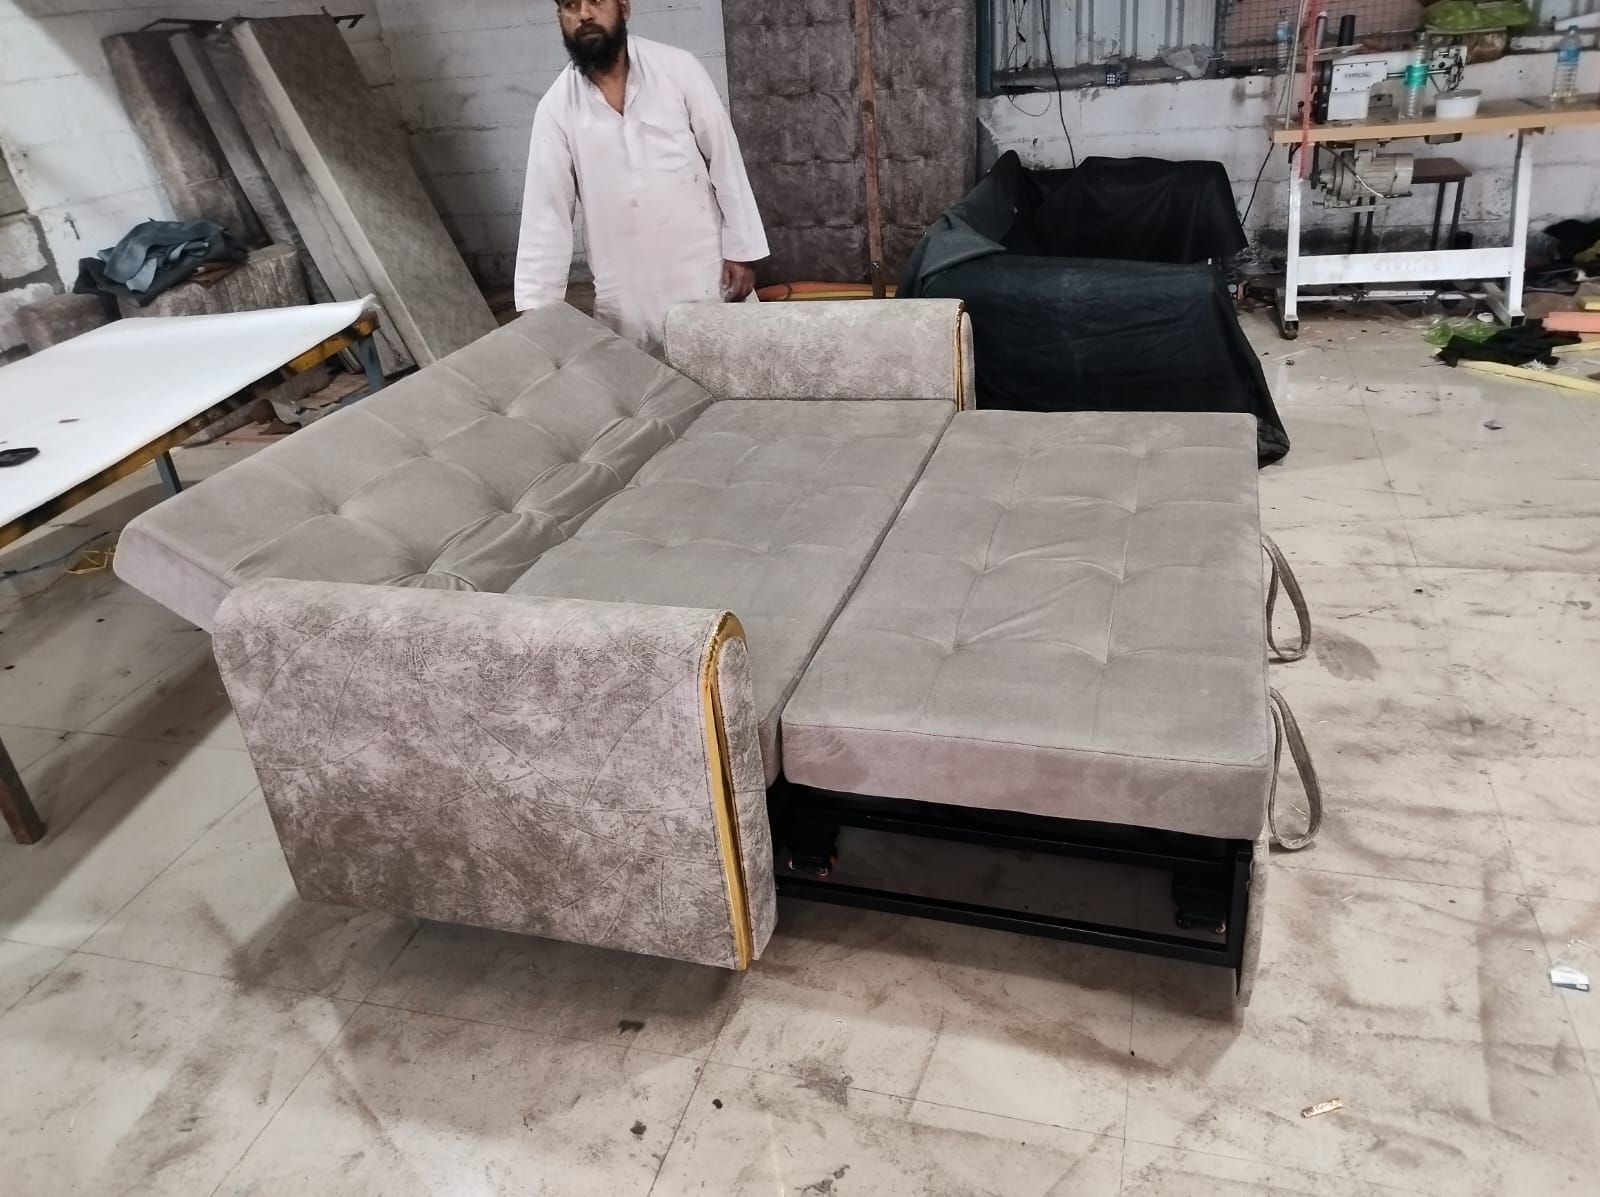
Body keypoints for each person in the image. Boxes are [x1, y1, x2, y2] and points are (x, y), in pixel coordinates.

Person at [515, 0, 769, 354]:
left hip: (704, 272)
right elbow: (546, 215)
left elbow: (725, 161)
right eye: (571, 5)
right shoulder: (556, 108)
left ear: (624, 7)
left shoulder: (678, 69)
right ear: (560, 18)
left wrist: (742, 252)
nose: (584, 14)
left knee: (732, 365)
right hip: (626, 297)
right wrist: (537, 313)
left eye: (596, 1)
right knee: (645, 382)